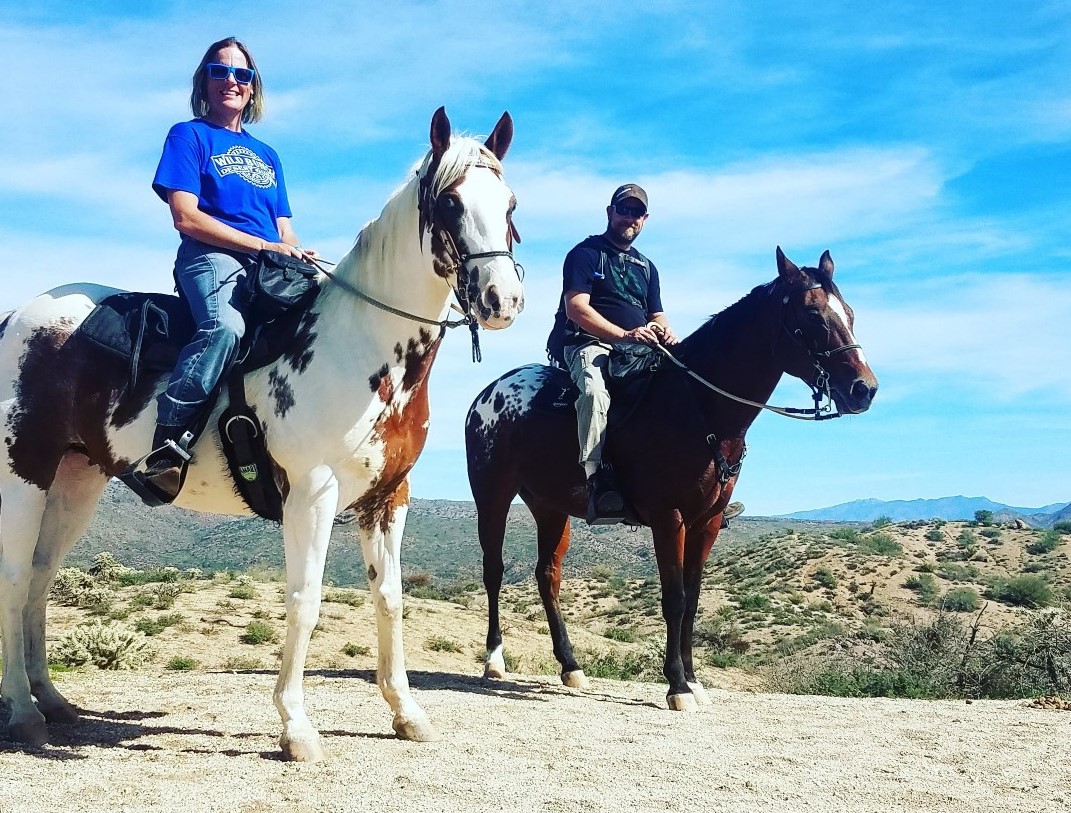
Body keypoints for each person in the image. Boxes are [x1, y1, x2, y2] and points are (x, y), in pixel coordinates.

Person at [139, 37, 315, 494]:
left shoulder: (268, 155)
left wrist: (295, 252)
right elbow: (186, 216)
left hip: (266, 263)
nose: (231, 81)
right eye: (221, 72)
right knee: (225, 328)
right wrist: (260, 245)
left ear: (253, 89)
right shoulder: (189, 135)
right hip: (210, 258)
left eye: (242, 75)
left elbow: (285, 228)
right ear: (205, 81)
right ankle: (168, 441)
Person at [560, 184, 744, 526]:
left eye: (636, 213)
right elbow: (576, 308)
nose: (629, 217)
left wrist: (665, 330)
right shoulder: (585, 254)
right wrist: (624, 335)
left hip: (642, 347)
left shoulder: (647, 267)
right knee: (593, 391)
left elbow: (656, 313)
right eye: (623, 210)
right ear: (610, 212)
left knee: (687, 387)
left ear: (645, 219)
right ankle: (596, 480)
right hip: (590, 342)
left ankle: (702, 486)